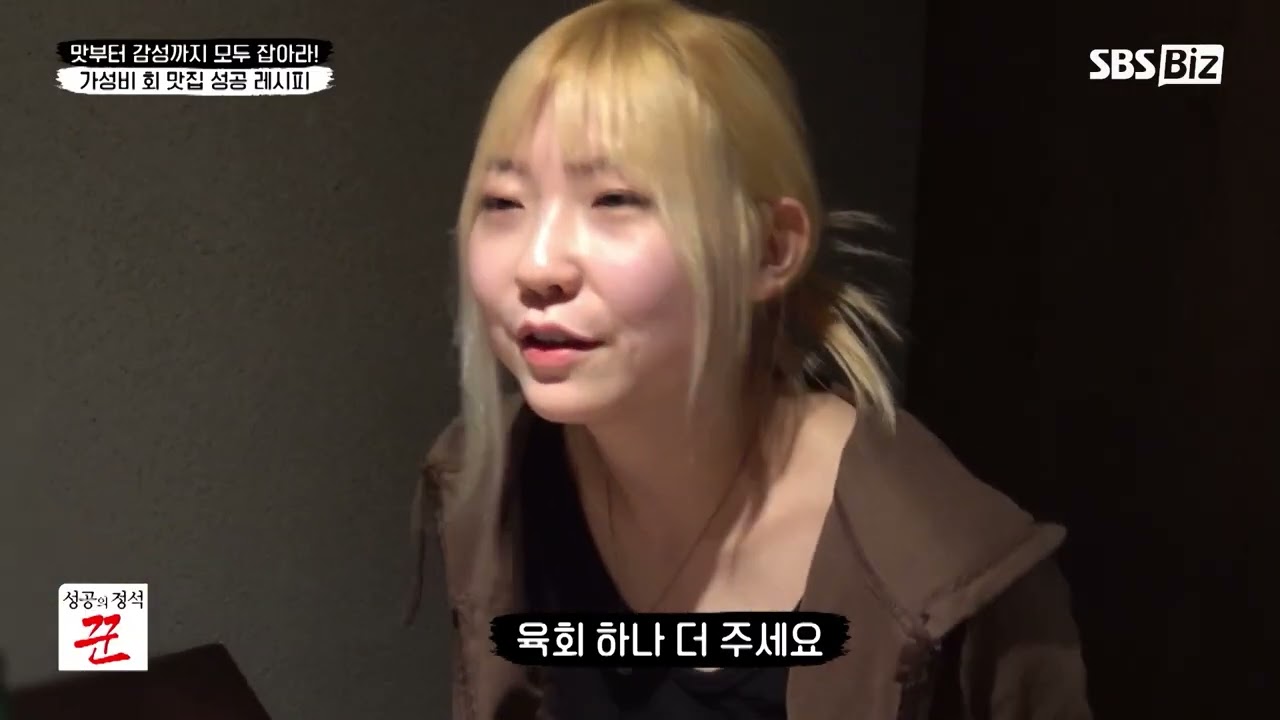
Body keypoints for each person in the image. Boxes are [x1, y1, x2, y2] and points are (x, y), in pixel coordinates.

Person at [405, 1, 1091, 718]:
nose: (537, 265)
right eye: (503, 202)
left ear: (769, 250)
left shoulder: (951, 575)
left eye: (613, 199)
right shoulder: (489, 490)